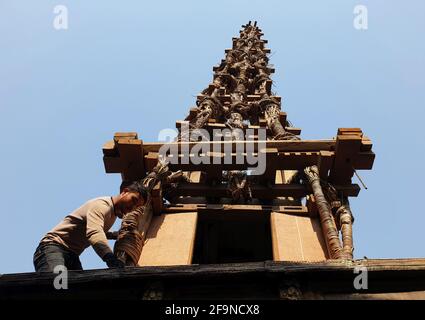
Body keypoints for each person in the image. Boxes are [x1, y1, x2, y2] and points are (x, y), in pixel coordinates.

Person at [33, 181, 148, 272]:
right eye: (133, 200)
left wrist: (115, 235)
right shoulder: (102, 206)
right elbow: (94, 232)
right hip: (53, 247)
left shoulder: (112, 213)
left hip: (72, 255)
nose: (132, 207)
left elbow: (93, 228)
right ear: (125, 192)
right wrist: (110, 258)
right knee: (57, 283)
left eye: (136, 207)